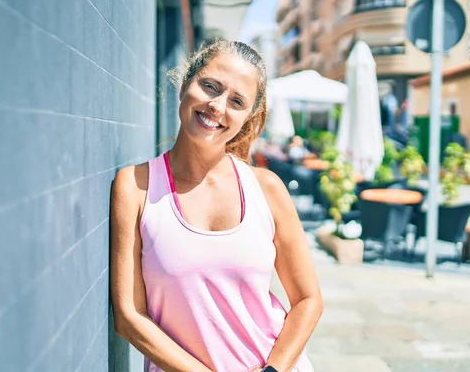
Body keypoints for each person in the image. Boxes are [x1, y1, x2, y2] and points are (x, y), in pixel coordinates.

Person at [110, 39, 323, 372]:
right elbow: (129, 316)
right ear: (185, 86)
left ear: (248, 118)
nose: (217, 106)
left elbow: (308, 301)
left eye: (237, 101)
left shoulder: (266, 189)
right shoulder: (135, 186)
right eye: (209, 86)